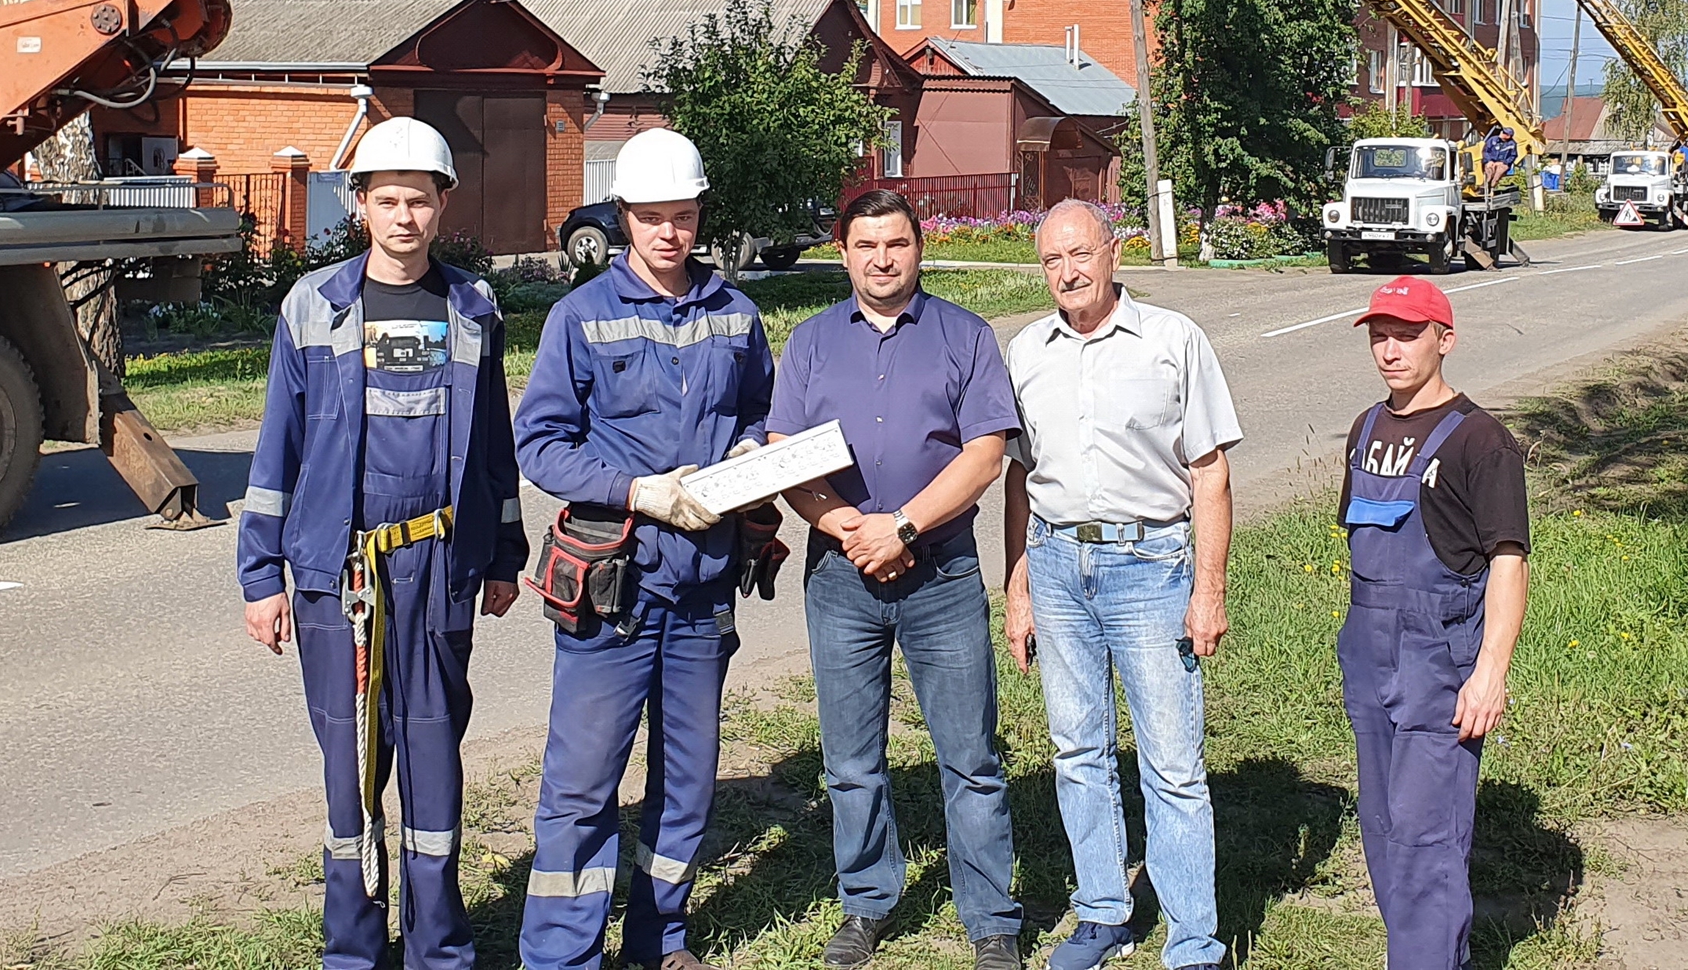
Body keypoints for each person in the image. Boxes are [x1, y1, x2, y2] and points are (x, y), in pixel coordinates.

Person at [238, 116, 528, 970]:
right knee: (348, 768)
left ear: (443, 204)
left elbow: (494, 444)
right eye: (388, 199)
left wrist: (504, 554)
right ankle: (355, 951)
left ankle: (439, 948)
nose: (405, 216)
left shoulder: (474, 306)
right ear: (359, 204)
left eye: (421, 199)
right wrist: (262, 576)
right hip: (338, 571)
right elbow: (276, 450)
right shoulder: (312, 306)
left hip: (439, 566)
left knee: (433, 758)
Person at [515, 127, 775, 970]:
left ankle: (660, 941)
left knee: (687, 783)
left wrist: (753, 454)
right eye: (653, 217)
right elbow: (542, 443)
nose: (671, 233)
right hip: (613, 594)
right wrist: (638, 491)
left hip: (702, 593)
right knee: (584, 784)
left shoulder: (736, 314)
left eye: (685, 216)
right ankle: (561, 955)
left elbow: (762, 413)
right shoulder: (579, 316)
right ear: (624, 216)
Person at [770, 189, 1025, 970]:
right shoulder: (810, 342)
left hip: (941, 572)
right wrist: (846, 526)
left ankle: (991, 919)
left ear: (920, 247)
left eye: (898, 243)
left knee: (971, 756)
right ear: (843, 252)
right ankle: (866, 903)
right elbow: (784, 449)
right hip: (841, 575)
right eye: (867, 245)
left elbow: (985, 453)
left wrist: (903, 525)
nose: (884, 259)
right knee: (850, 760)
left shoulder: (965, 336)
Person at [1002, 201, 1242, 970]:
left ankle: (1194, 937)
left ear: (1112, 252)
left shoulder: (1173, 341)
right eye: (1051, 261)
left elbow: (1209, 473)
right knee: (1078, 748)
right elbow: (1018, 478)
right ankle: (1104, 910)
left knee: (1172, 762)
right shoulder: (1026, 351)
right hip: (1057, 562)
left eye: (1080, 253)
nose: (1067, 272)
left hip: (1150, 566)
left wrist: (1208, 589)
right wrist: (1019, 588)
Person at [1337, 277, 1530, 970]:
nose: (1390, 349)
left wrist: (1490, 672)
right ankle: (1432, 954)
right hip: (1369, 648)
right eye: (1379, 334)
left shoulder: (1482, 440)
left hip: (1436, 657)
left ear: (1444, 340)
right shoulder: (1365, 429)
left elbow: (1509, 559)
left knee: (1427, 836)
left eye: (1407, 334)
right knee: (1385, 828)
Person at [1480, 124, 1517, 193]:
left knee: (1498, 172)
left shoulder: (1512, 144)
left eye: (1504, 132)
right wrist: (1489, 161)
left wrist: (1504, 162)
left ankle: (1492, 188)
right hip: (1490, 161)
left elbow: (1513, 156)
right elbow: (1486, 151)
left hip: (1503, 163)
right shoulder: (1492, 140)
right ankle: (1484, 187)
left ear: (1508, 136)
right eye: (1502, 131)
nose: (1501, 133)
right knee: (1489, 171)